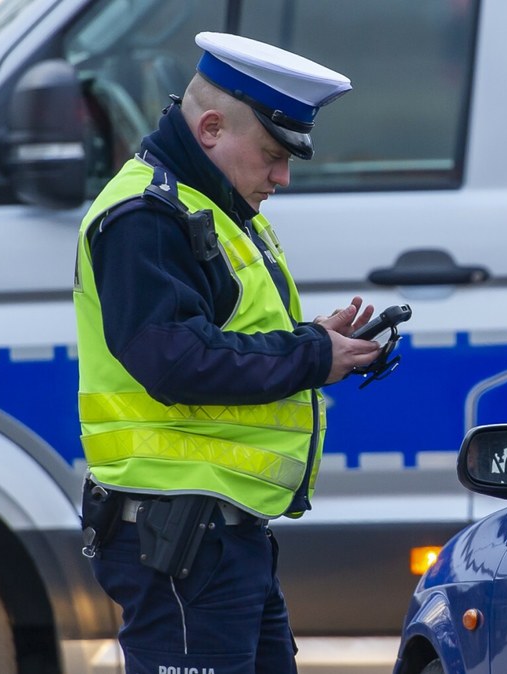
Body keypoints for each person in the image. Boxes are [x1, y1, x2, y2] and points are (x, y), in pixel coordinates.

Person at [72, 32, 381, 674]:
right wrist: (310, 357)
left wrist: (316, 341)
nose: (283, 176)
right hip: (183, 538)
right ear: (210, 127)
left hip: (217, 538)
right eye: (272, 154)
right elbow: (175, 361)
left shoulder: (211, 205)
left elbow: (220, 334)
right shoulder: (146, 216)